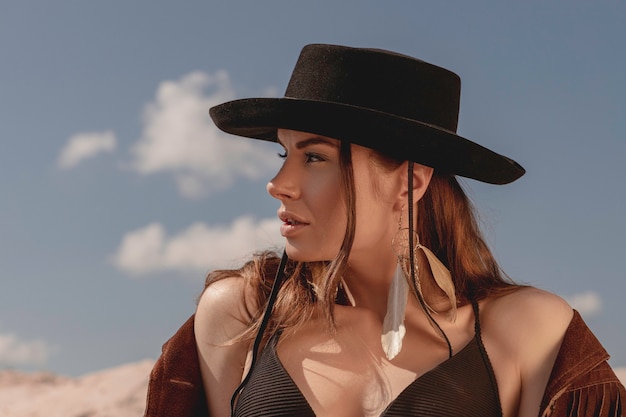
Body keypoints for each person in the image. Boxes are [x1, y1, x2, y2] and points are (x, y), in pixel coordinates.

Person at [144, 44, 624, 417]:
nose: (278, 185)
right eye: (283, 155)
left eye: (314, 157)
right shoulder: (241, 315)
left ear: (409, 182)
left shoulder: (524, 331)